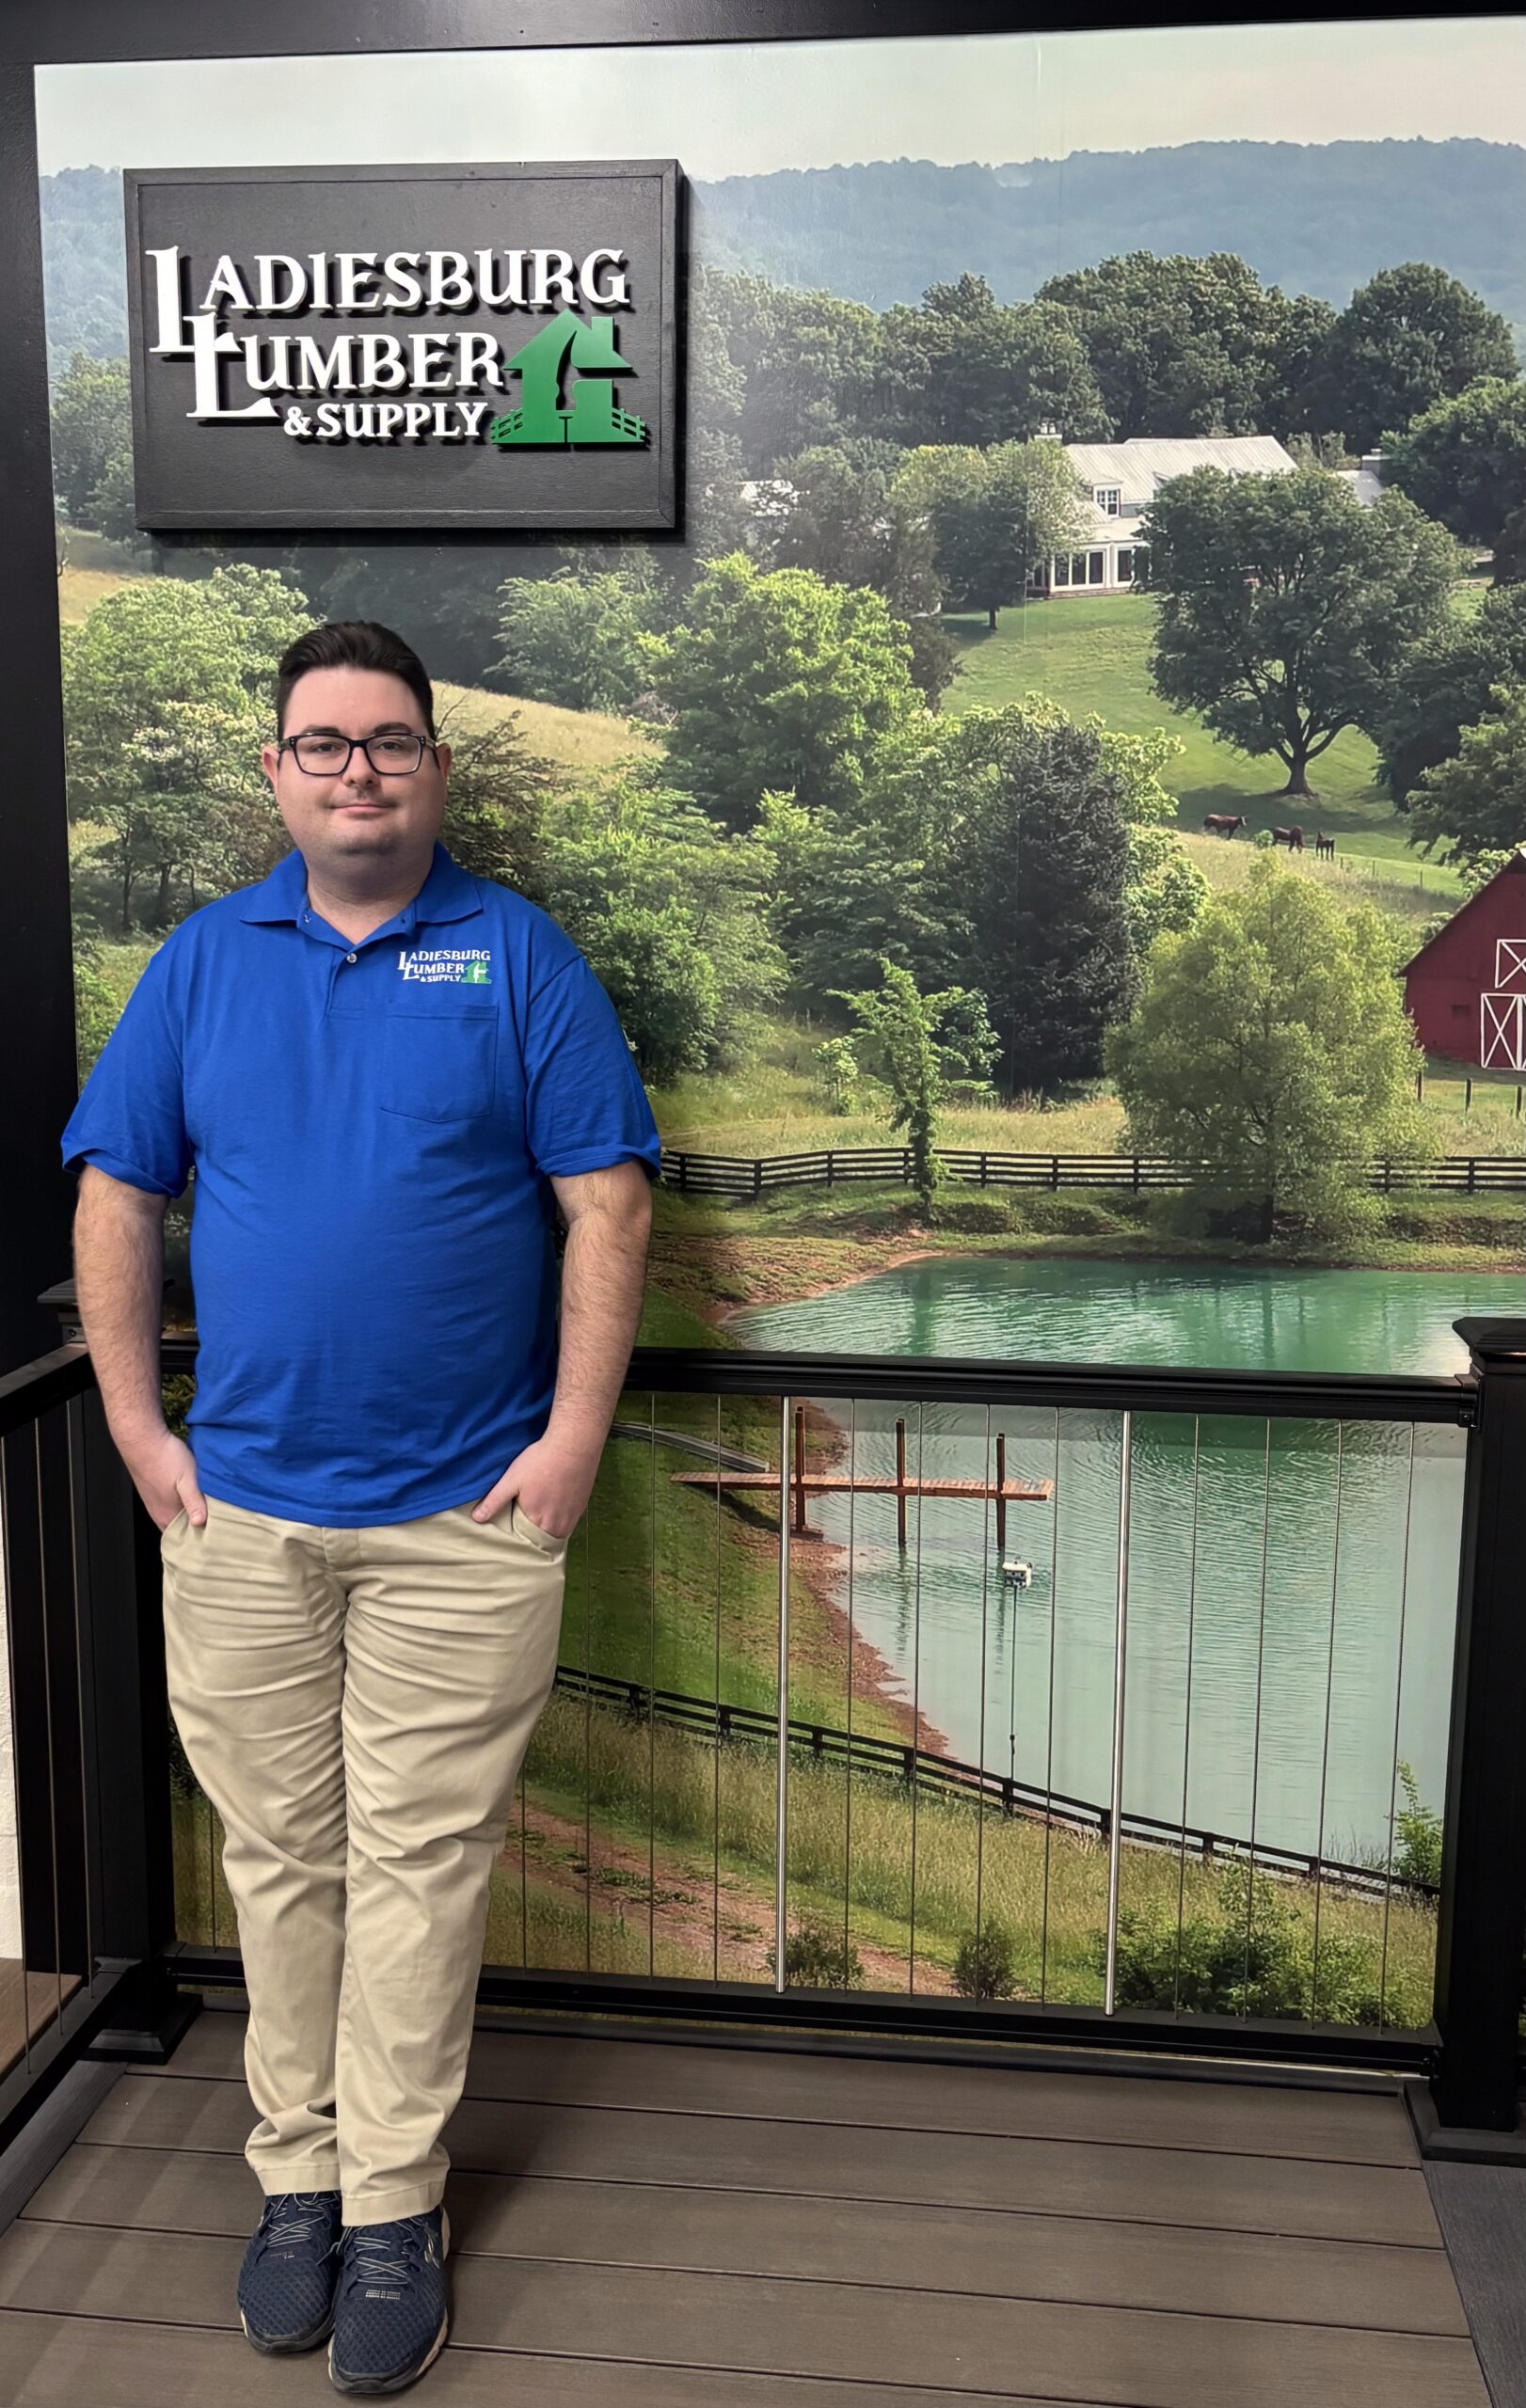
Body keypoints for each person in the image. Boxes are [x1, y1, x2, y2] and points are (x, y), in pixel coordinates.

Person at [60, 619, 660, 2397]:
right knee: (279, 1858)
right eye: (322, 745)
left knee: (419, 1866)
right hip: (236, 1517)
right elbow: (115, 1196)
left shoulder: (518, 956)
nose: (357, 771)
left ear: (434, 770)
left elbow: (608, 1208)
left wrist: (565, 1451)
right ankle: (293, 2182)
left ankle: (395, 2204)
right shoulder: (196, 966)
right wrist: (134, 1433)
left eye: (388, 742)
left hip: (462, 1528)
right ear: (276, 773)